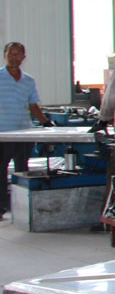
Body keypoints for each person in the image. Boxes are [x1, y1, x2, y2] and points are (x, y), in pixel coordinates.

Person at [0, 42, 55, 217]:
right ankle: (1, 207)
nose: (14, 57)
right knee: (1, 169)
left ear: (23, 57)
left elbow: (33, 106)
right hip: (3, 133)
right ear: (5, 55)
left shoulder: (28, 81)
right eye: (11, 53)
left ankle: (22, 208)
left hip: (24, 132)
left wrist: (46, 123)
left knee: (22, 169)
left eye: (18, 54)